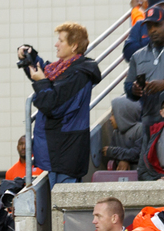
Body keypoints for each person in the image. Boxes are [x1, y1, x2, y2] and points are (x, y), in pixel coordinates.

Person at [18, 23, 102, 188]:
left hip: (65, 153)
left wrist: (41, 81)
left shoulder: (78, 75)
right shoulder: (65, 69)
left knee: (62, 208)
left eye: (61, 40)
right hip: (60, 152)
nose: (56, 44)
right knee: (58, 207)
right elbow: (47, 76)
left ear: (74, 46)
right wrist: (30, 56)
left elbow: (52, 104)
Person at [101, 97, 144, 170]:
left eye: (113, 115)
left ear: (123, 114)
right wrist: (123, 159)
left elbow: (138, 153)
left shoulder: (140, 129)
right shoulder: (116, 132)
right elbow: (111, 153)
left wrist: (114, 152)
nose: (110, 119)